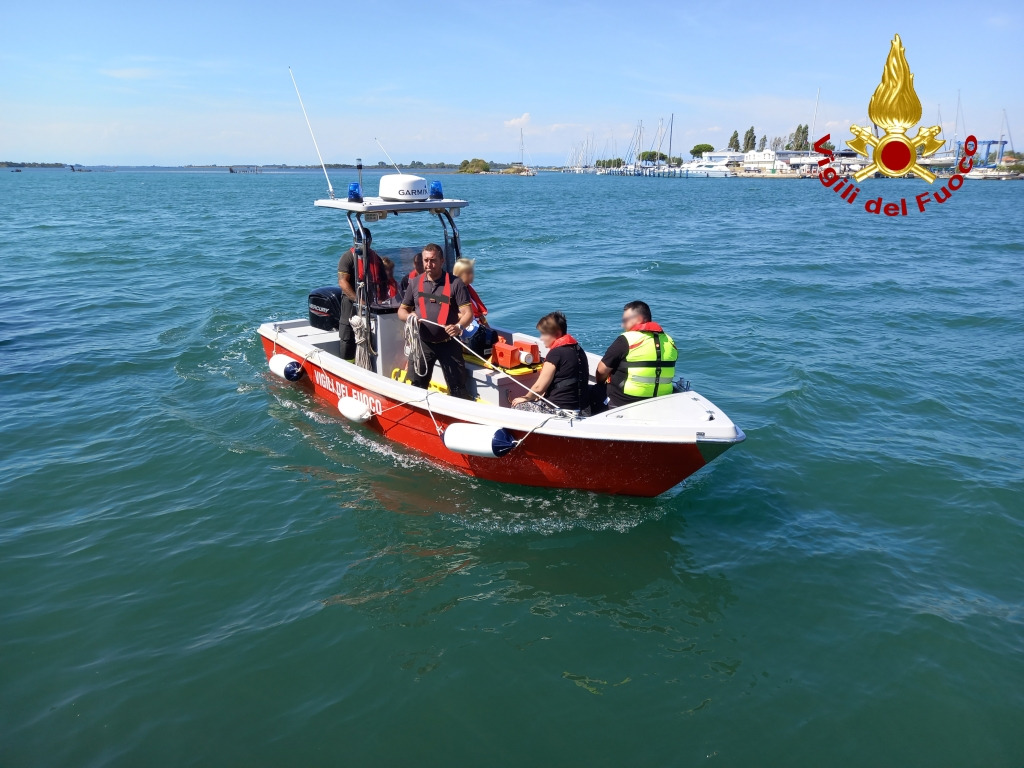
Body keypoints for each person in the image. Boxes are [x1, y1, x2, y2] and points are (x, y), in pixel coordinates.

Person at [397, 243, 473, 399]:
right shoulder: (415, 283)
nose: (428, 264)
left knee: (458, 388)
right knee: (417, 386)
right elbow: (402, 311)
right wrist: (409, 317)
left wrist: (458, 327)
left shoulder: (456, 284)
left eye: (433, 260)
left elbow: (468, 314)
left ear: (442, 261)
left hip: (449, 344)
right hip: (423, 344)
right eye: (426, 260)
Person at [594, 301, 678, 409]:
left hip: (625, 401)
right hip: (661, 400)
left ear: (638, 319)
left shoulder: (626, 340)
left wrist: (600, 384)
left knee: (589, 393)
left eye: (625, 320)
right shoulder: (670, 341)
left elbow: (601, 370)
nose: (622, 325)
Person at [511, 312, 590, 415]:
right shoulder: (579, 350)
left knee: (517, 406)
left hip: (560, 411)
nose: (541, 338)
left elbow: (539, 388)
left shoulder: (555, 354)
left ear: (557, 334)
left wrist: (526, 398)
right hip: (584, 409)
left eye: (544, 334)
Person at [337, 229, 388, 360]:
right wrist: (358, 301)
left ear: (370, 241)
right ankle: (347, 364)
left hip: (371, 303)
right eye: (359, 242)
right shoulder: (348, 257)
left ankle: (369, 363)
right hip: (351, 302)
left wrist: (382, 301)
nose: (363, 245)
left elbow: (383, 281)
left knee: (370, 334)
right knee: (348, 336)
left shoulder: (375, 258)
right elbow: (343, 282)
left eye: (366, 242)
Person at [452, 257, 497, 356]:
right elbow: (454, 314)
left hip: (478, 327)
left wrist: (488, 329)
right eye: (469, 273)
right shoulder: (456, 291)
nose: (472, 275)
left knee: (495, 338)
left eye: (472, 272)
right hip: (466, 331)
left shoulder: (468, 288)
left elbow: (480, 316)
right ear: (460, 274)